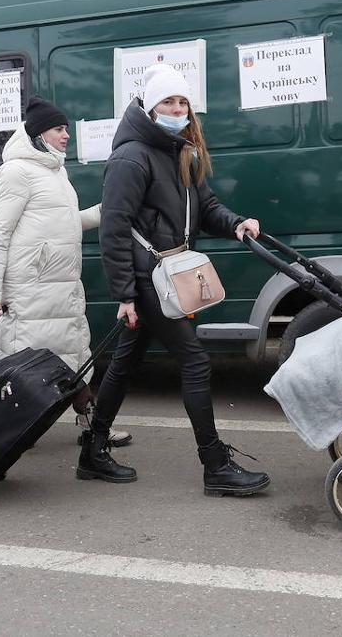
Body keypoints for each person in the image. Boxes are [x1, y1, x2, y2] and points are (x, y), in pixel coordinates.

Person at [78, 64, 270, 496]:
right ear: (150, 106)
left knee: (125, 364)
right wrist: (124, 294)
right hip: (149, 281)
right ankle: (215, 466)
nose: (177, 108)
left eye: (182, 102)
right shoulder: (131, 157)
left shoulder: (181, 150)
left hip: (168, 277)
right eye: (168, 101)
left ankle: (92, 451)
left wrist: (237, 224)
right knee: (196, 361)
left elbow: (207, 207)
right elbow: (114, 227)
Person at [0, 97, 131, 447]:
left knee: (74, 354)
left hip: (61, 285)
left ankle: (92, 425)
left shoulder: (55, 170)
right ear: (38, 134)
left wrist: (103, 212)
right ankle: (4, 430)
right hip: (30, 287)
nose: (66, 135)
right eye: (59, 129)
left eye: (66, 129)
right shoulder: (15, 171)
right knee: (24, 363)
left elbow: (63, 222)